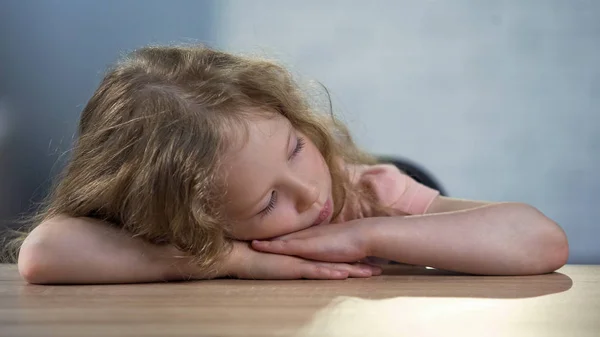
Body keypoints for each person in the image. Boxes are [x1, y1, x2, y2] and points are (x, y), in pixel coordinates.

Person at [13, 45, 568, 284]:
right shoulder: (191, 231)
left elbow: (540, 241)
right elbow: (43, 253)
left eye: (296, 148)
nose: (308, 193)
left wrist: (365, 233)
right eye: (268, 202)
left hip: (387, 188)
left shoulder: (366, 191)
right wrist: (235, 261)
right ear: (189, 220)